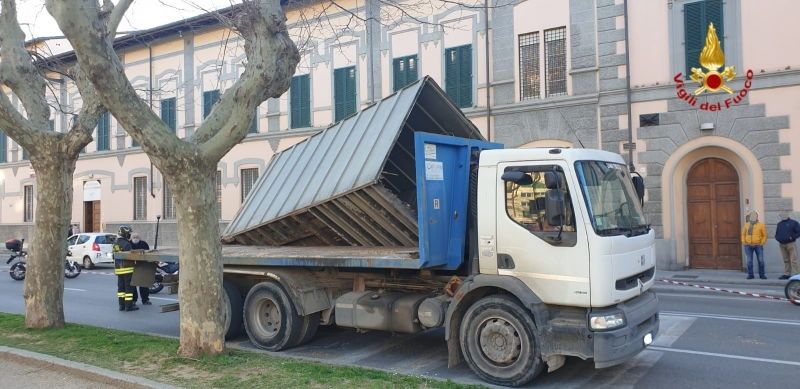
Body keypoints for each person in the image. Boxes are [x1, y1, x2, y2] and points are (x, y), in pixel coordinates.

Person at [112, 226, 138, 311]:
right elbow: (131, 257)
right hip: (128, 269)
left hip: (119, 269)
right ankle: (128, 306)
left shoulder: (116, 243)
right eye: (129, 233)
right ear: (125, 234)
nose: (130, 235)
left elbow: (113, 256)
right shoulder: (127, 244)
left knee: (121, 289)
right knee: (128, 289)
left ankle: (121, 305)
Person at [741, 210, 767, 280]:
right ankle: (750, 275)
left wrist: (762, 243)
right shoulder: (746, 225)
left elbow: (764, 235)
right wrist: (744, 242)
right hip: (748, 245)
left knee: (761, 260)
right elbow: (743, 234)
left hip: (758, 245)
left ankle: (762, 275)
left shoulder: (761, 225)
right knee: (749, 261)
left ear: (757, 217)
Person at [775, 211, 800, 279]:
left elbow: (798, 232)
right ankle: (787, 274)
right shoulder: (779, 224)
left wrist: (792, 237)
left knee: (794, 260)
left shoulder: (794, 223)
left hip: (791, 244)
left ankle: (797, 274)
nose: (783, 216)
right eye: (781, 215)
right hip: (782, 244)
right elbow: (777, 233)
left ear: (787, 215)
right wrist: (777, 238)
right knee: (786, 260)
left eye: (784, 214)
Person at [130, 232, 152, 305]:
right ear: (131, 238)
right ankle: (134, 300)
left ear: (140, 238)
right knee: (133, 285)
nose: (135, 238)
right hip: (132, 266)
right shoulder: (129, 244)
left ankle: (145, 300)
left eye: (137, 237)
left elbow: (148, 253)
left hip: (143, 266)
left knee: (143, 284)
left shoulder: (144, 244)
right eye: (134, 237)